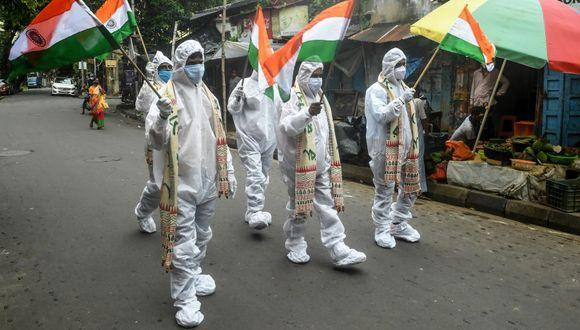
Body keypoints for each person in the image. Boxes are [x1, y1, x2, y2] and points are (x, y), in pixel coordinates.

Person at [147, 40, 237, 328]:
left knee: (202, 235)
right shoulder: (166, 95)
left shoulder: (207, 94)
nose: (199, 65)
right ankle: (184, 298)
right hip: (181, 183)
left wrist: (229, 173)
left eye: (201, 59)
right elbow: (155, 140)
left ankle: (194, 274)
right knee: (183, 244)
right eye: (193, 60)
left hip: (208, 179)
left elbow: (218, 136)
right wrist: (161, 116)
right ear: (182, 63)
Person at [277, 58, 366, 267]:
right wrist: (307, 113)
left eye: (320, 75)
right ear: (304, 76)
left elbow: (324, 133)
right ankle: (295, 242)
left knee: (326, 205)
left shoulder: (321, 98)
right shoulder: (292, 98)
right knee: (299, 206)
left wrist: (326, 159)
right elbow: (287, 127)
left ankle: (338, 247)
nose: (317, 80)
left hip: (321, 164)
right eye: (314, 76)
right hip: (297, 166)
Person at [365, 48, 422, 249]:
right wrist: (401, 100)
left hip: (406, 149)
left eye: (404, 64)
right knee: (385, 189)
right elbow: (381, 115)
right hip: (384, 148)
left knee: (411, 187)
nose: (402, 69)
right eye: (398, 65)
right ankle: (381, 228)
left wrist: (405, 98)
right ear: (389, 66)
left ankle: (398, 223)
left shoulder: (403, 87)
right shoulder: (376, 90)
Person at [227, 70, 279, 230]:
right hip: (249, 138)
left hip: (269, 139)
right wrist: (237, 100)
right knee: (255, 174)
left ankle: (252, 211)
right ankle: (256, 210)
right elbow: (233, 109)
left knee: (263, 176)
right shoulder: (245, 84)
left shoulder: (275, 87)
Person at [133, 51, 173, 234]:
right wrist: (147, 82)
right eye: (163, 68)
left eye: (170, 68)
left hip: (175, 140)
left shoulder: (176, 87)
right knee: (157, 183)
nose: (167, 71)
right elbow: (140, 106)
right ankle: (143, 212)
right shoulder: (152, 86)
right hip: (154, 139)